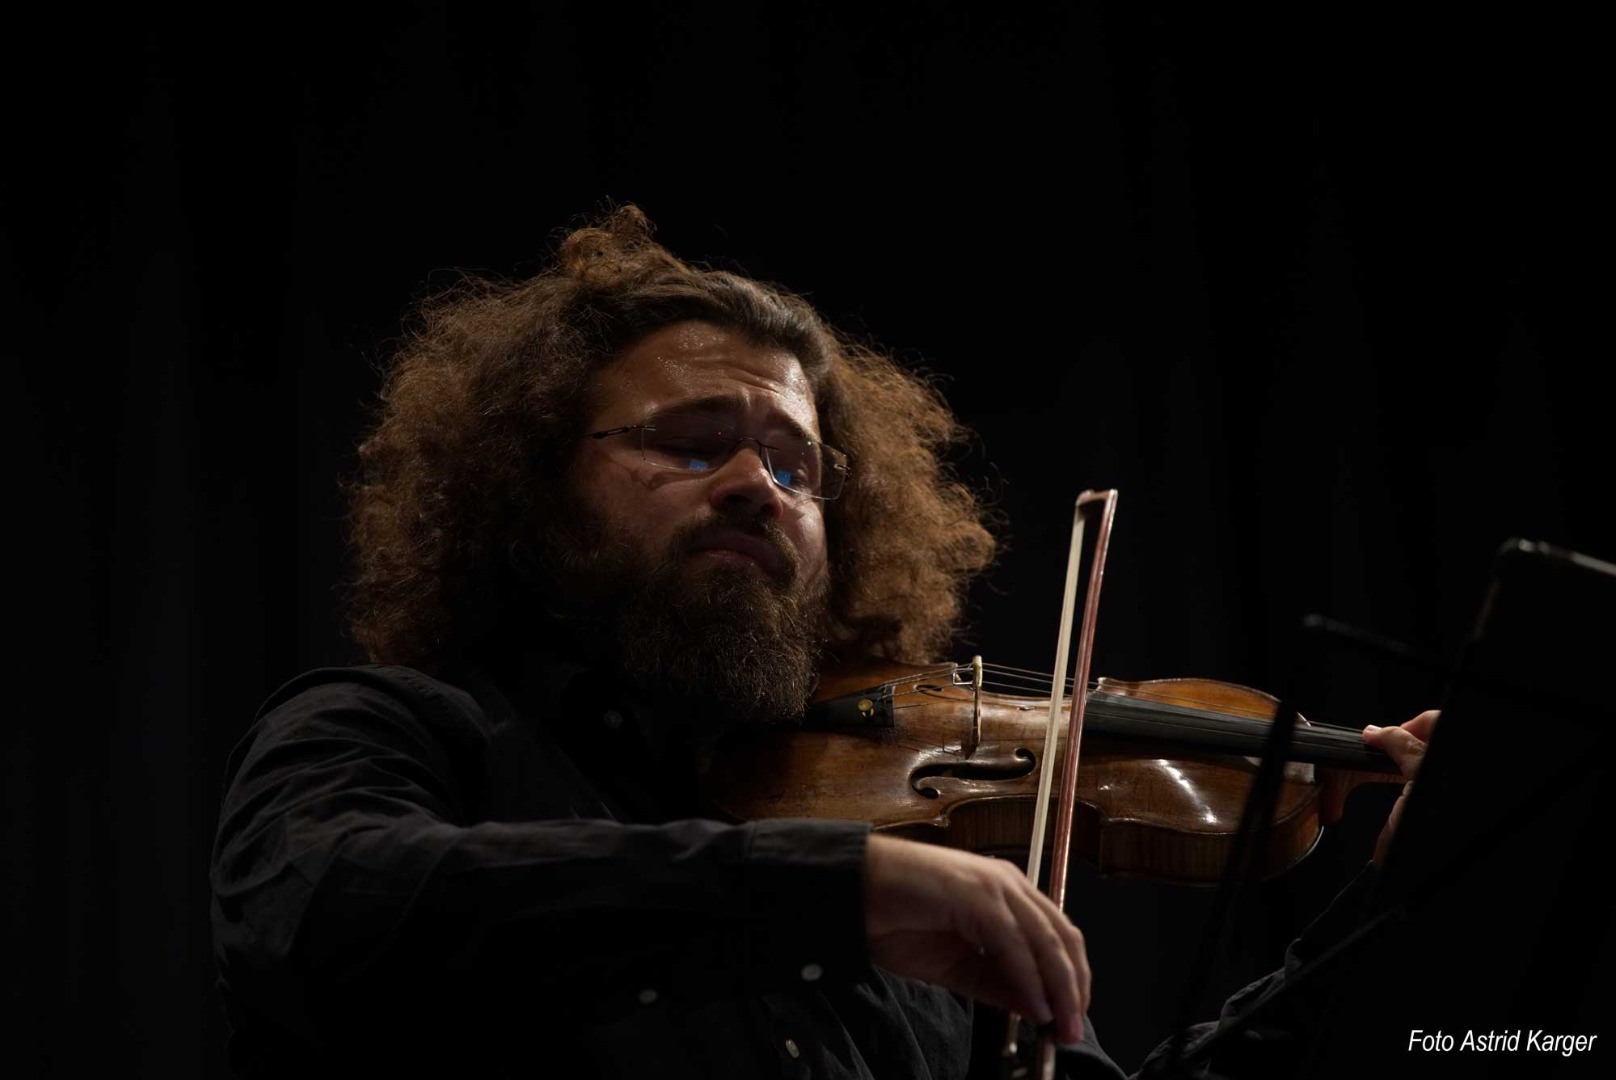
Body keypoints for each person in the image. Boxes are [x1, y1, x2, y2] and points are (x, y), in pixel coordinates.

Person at [210, 205, 1433, 1078]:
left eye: (797, 467)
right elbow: (319, 909)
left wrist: (1397, 914)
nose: (759, 485)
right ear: (529, 491)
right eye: (692, 443)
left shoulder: (905, 882)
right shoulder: (402, 733)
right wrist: (821, 891)